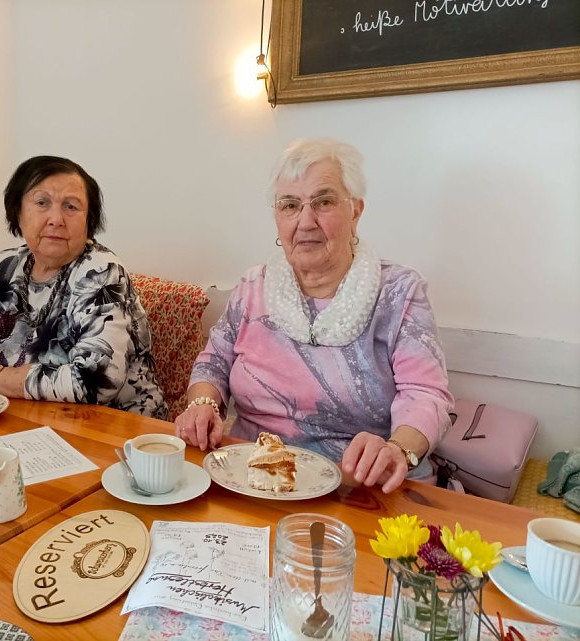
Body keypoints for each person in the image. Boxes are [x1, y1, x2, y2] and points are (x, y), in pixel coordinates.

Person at [175, 138, 452, 493]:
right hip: (253, 477)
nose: (306, 221)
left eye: (323, 202)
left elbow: (426, 393)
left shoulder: (398, 292)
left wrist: (398, 449)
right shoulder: (252, 288)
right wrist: (202, 404)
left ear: (356, 211)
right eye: (290, 205)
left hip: (364, 486)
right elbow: (213, 363)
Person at [0, 155, 167, 419]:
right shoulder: (4, 265)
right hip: (18, 419)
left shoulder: (100, 271)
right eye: (41, 203)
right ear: (18, 212)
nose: (56, 218)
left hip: (110, 429)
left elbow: (95, 381)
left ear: (88, 220)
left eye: (71, 207)